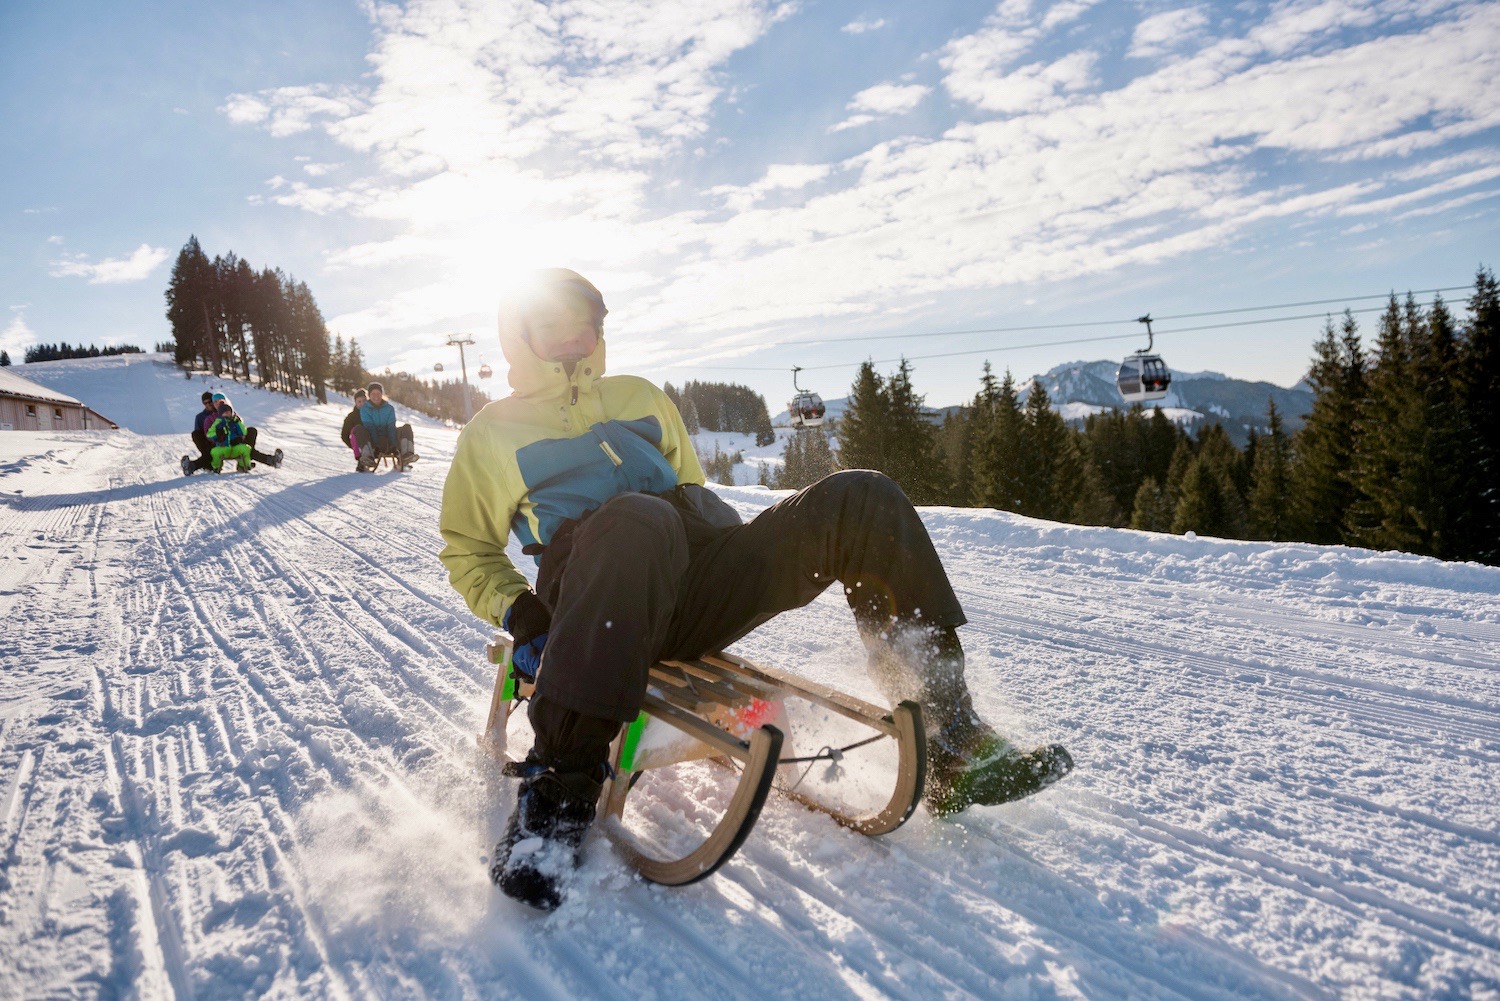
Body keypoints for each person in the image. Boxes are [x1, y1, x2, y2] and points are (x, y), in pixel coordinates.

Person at [439, 269, 1073, 911]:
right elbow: (468, 548)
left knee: (861, 496)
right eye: (553, 323)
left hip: (696, 579)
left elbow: (689, 490)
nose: (575, 337)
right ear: (520, 334)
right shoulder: (493, 433)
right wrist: (524, 613)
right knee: (640, 516)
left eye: (586, 324)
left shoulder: (640, 396)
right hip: (598, 595)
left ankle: (950, 730)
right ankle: (557, 794)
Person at [182, 391, 283, 475]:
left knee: (251, 434)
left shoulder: (232, 414)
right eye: (214, 402)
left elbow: (241, 428)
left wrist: (240, 437)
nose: (212, 404)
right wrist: (217, 437)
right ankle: (196, 466)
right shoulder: (208, 418)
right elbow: (208, 434)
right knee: (207, 449)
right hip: (217, 445)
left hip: (236, 443)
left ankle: (266, 460)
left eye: (219, 402)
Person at [352, 382, 418, 471]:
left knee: (406, 427)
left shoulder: (389, 408)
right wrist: (376, 446)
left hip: (389, 440)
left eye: (378, 393)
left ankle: (407, 455)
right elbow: (370, 428)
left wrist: (394, 445)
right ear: (369, 395)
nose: (376, 396)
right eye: (373, 394)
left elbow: (391, 427)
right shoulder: (365, 409)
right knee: (358, 429)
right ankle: (368, 457)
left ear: (382, 394)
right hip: (373, 443)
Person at [206, 397, 254, 473]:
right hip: (223, 447)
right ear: (221, 414)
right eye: (225, 412)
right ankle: (216, 467)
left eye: (229, 412)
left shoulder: (235, 422)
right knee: (215, 452)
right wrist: (217, 434)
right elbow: (209, 434)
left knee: (246, 448)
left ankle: (243, 465)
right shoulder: (218, 422)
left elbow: (243, 432)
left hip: (235, 447)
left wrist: (238, 422)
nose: (227, 414)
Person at [340, 389, 367, 468]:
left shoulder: (373, 413)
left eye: (364, 400)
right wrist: (354, 447)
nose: (362, 403)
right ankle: (362, 459)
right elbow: (344, 435)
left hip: (375, 443)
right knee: (357, 430)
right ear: (355, 402)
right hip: (361, 446)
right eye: (359, 401)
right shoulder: (351, 417)